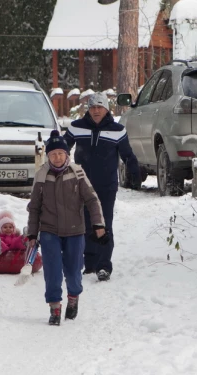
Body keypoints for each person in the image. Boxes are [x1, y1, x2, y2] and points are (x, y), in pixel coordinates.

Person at [27, 130, 107, 326]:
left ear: (66, 155)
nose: (57, 157)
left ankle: (73, 297)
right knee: (52, 272)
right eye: (53, 154)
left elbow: (92, 200)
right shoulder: (41, 176)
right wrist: (31, 233)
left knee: (73, 271)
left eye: (60, 153)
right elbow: (34, 207)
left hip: (74, 230)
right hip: (49, 231)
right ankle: (55, 308)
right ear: (48, 156)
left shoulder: (77, 172)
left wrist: (98, 224)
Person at [64, 92, 141, 281]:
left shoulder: (117, 130)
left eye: (100, 107)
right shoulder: (76, 127)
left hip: (106, 186)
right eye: (93, 107)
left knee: (104, 223)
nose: (96, 111)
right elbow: (62, 148)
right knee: (85, 224)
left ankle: (104, 265)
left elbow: (127, 155)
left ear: (107, 109)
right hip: (81, 184)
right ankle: (89, 263)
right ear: (88, 110)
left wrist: (136, 173)